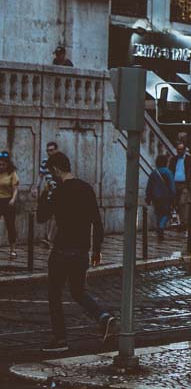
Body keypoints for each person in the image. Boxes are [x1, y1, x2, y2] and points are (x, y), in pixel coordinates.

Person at [36, 151, 117, 353]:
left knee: (55, 295)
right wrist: (96, 250)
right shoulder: (86, 188)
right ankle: (103, 317)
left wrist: (45, 195)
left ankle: (60, 339)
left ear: (55, 170)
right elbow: (97, 223)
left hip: (62, 251)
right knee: (78, 291)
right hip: (82, 251)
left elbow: (41, 217)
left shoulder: (57, 192)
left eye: (51, 172)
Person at [145, 154, 175, 241]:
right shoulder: (168, 172)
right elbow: (172, 186)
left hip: (155, 197)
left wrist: (148, 196)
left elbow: (149, 186)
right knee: (166, 213)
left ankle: (159, 228)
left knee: (158, 214)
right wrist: (173, 197)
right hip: (166, 197)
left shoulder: (154, 172)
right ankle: (161, 228)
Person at [38, 142, 60, 248]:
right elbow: (40, 175)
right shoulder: (44, 161)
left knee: (55, 215)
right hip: (48, 192)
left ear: (56, 150)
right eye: (48, 150)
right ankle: (49, 238)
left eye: (51, 150)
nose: (49, 152)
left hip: (58, 191)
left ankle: (50, 239)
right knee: (48, 215)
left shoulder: (61, 161)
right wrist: (35, 187)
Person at [0, 151, 19, 260]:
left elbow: (16, 189)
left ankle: (13, 250)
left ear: (8, 164)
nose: (1, 166)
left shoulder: (12, 173)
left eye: (3, 164)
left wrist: (13, 199)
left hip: (8, 201)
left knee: (10, 226)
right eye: (0, 164)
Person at [170, 143, 191, 226]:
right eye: (178, 149)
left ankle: (184, 223)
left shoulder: (188, 159)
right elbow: (171, 170)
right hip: (175, 184)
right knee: (176, 204)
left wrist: (189, 183)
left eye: (181, 149)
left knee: (183, 203)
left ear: (184, 150)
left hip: (185, 184)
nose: (179, 151)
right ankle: (179, 222)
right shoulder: (174, 159)